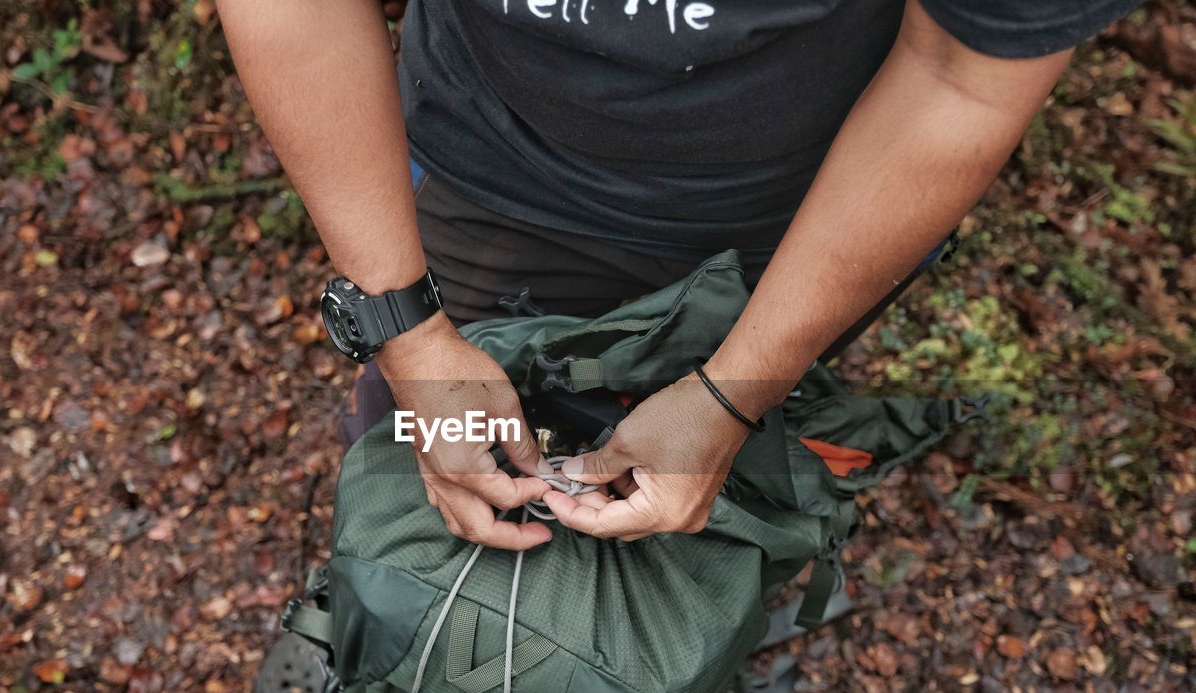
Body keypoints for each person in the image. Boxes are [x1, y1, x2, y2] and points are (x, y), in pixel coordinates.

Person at [217, 0, 1138, 550]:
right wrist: (407, 332)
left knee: (728, 491)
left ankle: (706, 661)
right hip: (480, 164)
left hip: (807, 215)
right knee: (425, 443)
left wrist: (736, 393)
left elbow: (962, 77)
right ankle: (394, 591)